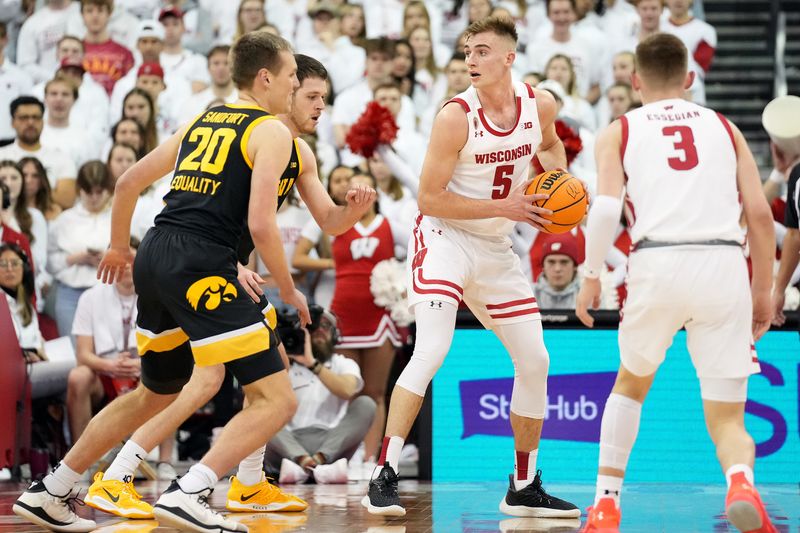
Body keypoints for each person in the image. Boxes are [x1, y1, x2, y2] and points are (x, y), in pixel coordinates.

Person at [14, 47, 375, 532]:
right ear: (267, 80)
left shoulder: (207, 122)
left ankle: (54, 489)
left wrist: (120, 247)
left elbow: (128, 182)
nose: (303, 95)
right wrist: (289, 290)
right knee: (278, 399)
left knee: (156, 391)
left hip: (158, 254)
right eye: (296, 82)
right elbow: (261, 225)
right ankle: (191, 489)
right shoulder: (268, 129)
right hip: (201, 261)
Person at [362, 16, 579, 519]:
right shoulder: (455, 116)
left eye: (482, 51)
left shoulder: (538, 104)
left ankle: (523, 485)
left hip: (495, 246)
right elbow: (429, 199)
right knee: (433, 346)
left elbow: (548, 145)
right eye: (467, 51)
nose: (471, 60)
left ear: (509, 57)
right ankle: (384, 472)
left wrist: (558, 180)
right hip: (445, 237)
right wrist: (505, 207)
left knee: (536, 361)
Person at [575, 33, 777, 533]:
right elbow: (760, 216)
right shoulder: (724, 127)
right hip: (723, 263)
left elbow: (603, 209)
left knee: (629, 385)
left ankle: (605, 505)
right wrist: (763, 293)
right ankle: (740, 481)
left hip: (657, 262)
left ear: (635, 80)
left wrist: (591, 275)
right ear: (690, 79)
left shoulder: (619, 129)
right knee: (728, 418)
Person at [269, 305, 376, 485]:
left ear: (334, 334)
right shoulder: (284, 365)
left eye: (326, 326)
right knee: (260, 408)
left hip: (331, 443)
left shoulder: (343, 363)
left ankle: (309, 465)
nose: (319, 329)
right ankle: (311, 466)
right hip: (287, 443)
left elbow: (347, 389)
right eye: (313, 326)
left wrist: (312, 363)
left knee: (367, 404)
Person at [0, 96, 77, 209]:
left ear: (43, 121)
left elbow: (67, 200)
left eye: (36, 117)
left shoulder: (61, 158)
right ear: (12, 122)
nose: (30, 122)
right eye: (24, 118)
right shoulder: (1, 155)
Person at [533, 233, 581, 309]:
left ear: (575, 266)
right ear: (543, 266)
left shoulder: (590, 296)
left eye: (564, 262)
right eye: (551, 262)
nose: (557, 269)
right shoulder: (528, 295)